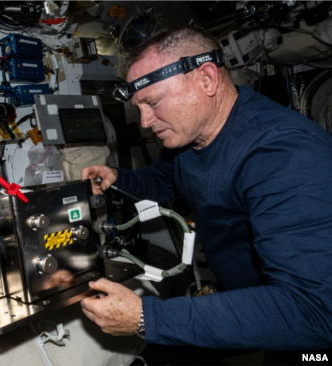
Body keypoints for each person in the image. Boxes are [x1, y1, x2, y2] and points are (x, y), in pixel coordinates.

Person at [80, 25, 332, 364]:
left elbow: (313, 311)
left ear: (207, 79)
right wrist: (117, 177)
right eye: (139, 107)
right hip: (250, 295)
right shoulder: (189, 139)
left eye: (153, 103)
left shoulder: (281, 155)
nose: (144, 122)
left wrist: (147, 318)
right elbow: (164, 181)